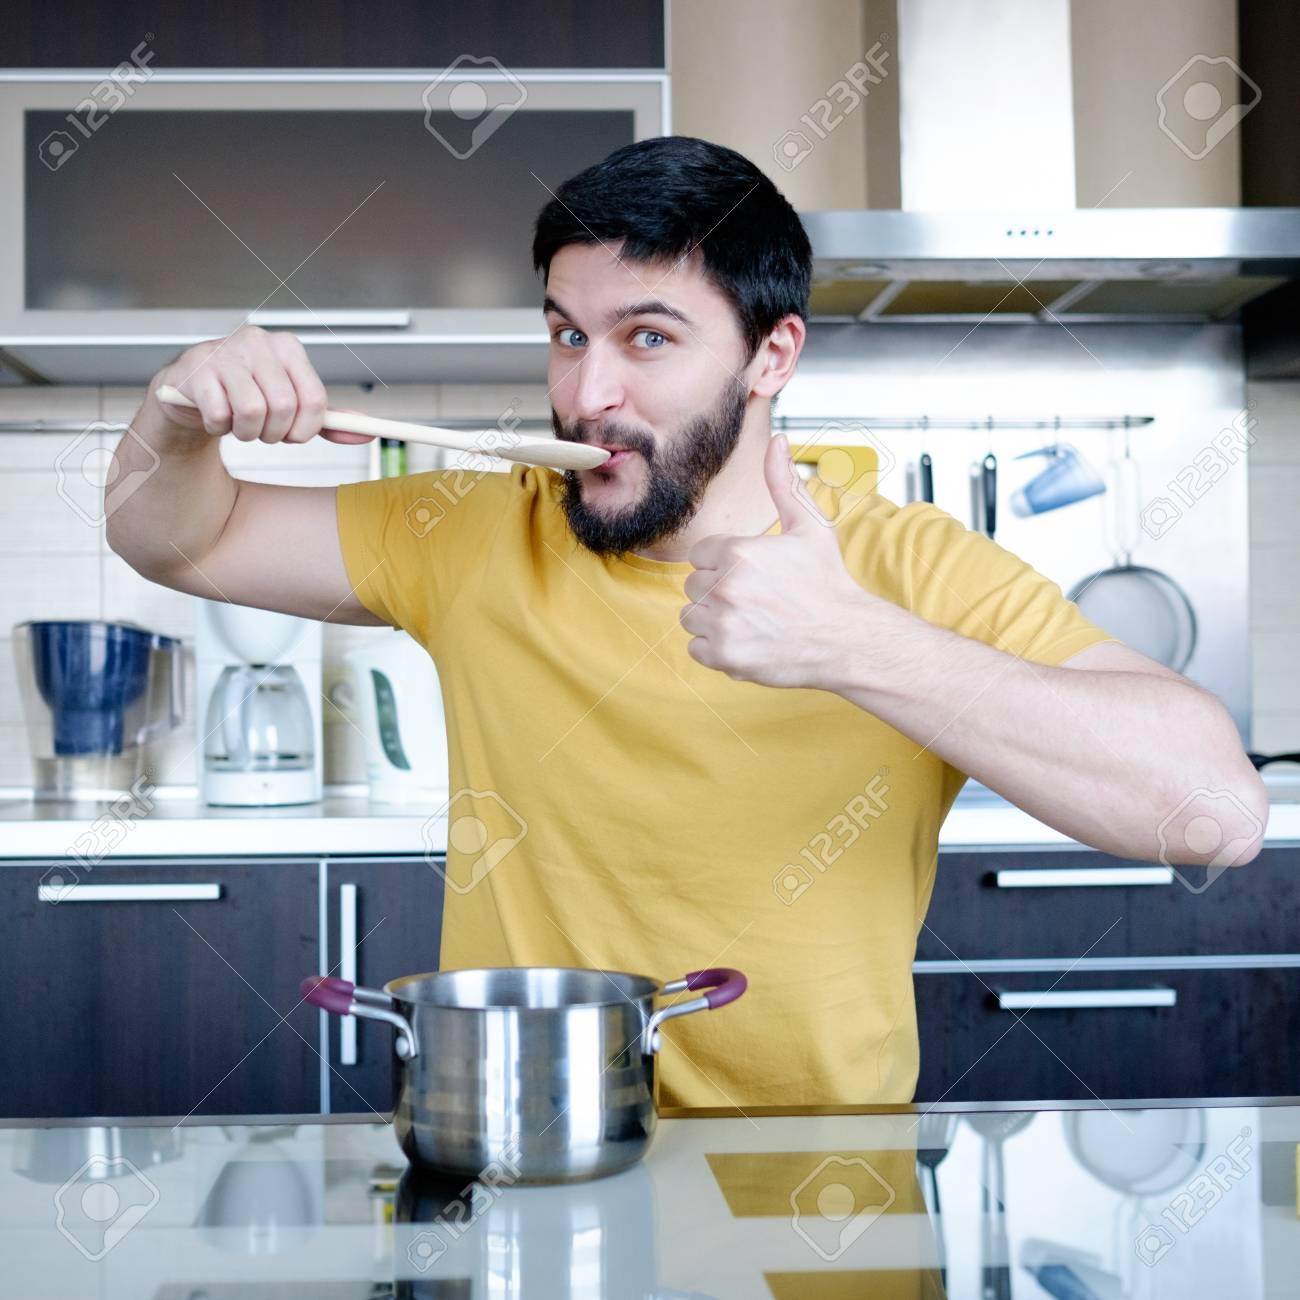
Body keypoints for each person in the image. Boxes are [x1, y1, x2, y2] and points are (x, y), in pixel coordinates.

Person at [108, 135, 1267, 1109]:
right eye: (568, 334)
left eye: (647, 339)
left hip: (823, 1199)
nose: (587, 394)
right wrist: (177, 413)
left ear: (772, 355)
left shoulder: (902, 566)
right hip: (525, 1167)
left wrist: (855, 646)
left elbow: (1214, 812)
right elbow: (176, 537)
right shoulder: (473, 529)